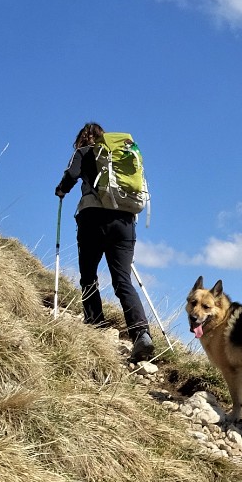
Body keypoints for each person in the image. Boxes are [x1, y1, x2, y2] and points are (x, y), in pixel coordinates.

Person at [55, 122, 155, 362]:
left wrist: (61, 190)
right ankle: (141, 333)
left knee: (88, 275)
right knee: (122, 280)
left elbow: (71, 175)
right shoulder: (120, 154)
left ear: (82, 139)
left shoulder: (83, 152)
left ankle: (95, 325)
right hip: (125, 220)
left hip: (93, 219)